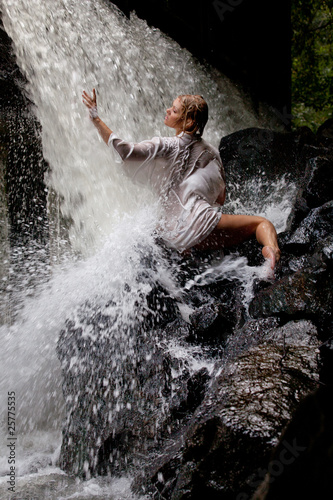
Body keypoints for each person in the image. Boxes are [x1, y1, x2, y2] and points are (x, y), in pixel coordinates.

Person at [82, 89, 280, 270]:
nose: (168, 111)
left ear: (189, 122)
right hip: (203, 227)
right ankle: (271, 252)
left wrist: (95, 118)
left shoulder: (165, 145)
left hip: (173, 234)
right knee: (261, 223)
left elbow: (124, 151)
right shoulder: (212, 152)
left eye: (174, 111)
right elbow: (221, 198)